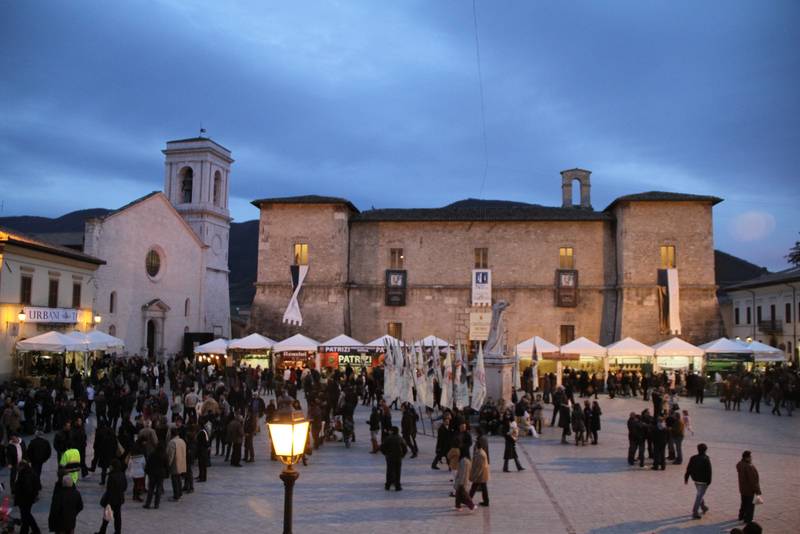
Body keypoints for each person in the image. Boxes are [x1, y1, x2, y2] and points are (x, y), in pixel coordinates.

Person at [96, 458, 127, 534]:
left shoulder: (111, 476)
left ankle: (102, 532)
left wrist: (107, 501)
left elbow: (109, 490)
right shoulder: (122, 474)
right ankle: (118, 531)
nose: (109, 467)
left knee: (106, 517)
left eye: (110, 466)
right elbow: (125, 487)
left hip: (111, 500)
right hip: (119, 499)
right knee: (117, 517)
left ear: (113, 466)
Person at [685, 443, 712, 519]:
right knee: (699, 496)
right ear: (705, 450)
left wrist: (686, 478)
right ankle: (695, 512)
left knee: (700, 494)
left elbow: (688, 468)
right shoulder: (706, 458)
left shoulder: (693, 458)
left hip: (695, 480)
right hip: (703, 481)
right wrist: (709, 481)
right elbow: (709, 471)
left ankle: (703, 507)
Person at [14, 460, 41, 534]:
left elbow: (27, 488)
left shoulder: (24, 475)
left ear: (21, 467)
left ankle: (33, 530)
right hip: (28, 499)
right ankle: (29, 530)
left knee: (26, 515)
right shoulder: (31, 472)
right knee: (26, 515)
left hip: (24, 499)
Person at [736, 450, 761, 524]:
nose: (751, 458)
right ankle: (748, 519)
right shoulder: (749, 467)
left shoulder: (740, 464)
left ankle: (741, 516)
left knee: (743, 503)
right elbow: (753, 481)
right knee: (750, 506)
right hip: (750, 489)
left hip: (742, 488)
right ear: (747, 458)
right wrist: (757, 490)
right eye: (750, 457)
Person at [380, 426, 407, 491]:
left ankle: (388, 485)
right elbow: (405, 448)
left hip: (390, 457)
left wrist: (386, 454)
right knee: (398, 472)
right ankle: (397, 486)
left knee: (389, 471)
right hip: (398, 458)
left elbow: (382, 447)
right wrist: (402, 455)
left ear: (392, 431)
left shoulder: (388, 438)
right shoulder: (400, 438)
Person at [143, 442, 169, 509]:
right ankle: (156, 504)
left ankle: (148, 504)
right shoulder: (164, 455)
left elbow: (148, 464)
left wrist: (147, 471)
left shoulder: (152, 454)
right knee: (159, 489)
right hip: (161, 474)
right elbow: (167, 465)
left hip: (152, 473)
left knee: (151, 489)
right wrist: (167, 473)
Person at [166, 427, 187, 501]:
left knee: (174, 480)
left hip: (175, 464)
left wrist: (167, 464)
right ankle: (180, 493)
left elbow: (170, 455)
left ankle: (176, 496)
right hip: (182, 462)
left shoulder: (172, 442)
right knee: (179, 479)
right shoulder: (182, 440)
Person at [468, 440, 490, 507]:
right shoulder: (481, 452)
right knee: (480, 487)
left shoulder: (480, 454)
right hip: (482, 474)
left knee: (474, 487)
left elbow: (479, 467)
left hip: (480, 474)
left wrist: (475, 475)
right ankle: (486, 502)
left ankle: (468, 500)